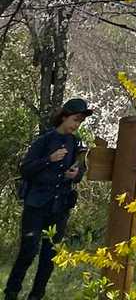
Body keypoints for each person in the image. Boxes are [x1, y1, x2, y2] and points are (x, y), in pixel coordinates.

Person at [5, 98, 93, 300]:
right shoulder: (44, 141)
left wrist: (76, 174)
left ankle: (36, 295)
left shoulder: (76, 143)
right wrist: (49, 159)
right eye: (75, 119)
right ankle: (11, 293)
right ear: (64, 117)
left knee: (49, 256)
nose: (77, 125)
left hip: (60, 207)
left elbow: (80, 171)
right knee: (28, 251)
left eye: (80, 121)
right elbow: (25, 169)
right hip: (36, 205)